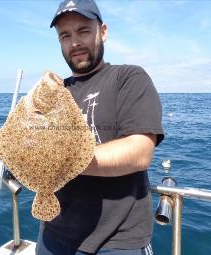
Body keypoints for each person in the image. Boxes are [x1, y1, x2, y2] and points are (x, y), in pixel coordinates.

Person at [36, 0, 164, 254]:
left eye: (83, 31)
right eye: (65, 35)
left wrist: (58, 158)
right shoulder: (54, 93)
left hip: (117, 242)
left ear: (102, 31)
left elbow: (139, 151)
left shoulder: (129, 78)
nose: (74, 43)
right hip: (52, 234)